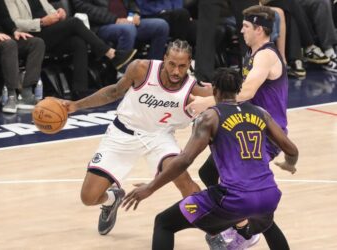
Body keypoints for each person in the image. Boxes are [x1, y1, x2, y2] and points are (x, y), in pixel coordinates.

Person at [122, 67, 299, 250]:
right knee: (266, 223)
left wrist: (150, 188)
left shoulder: (210, 117)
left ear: (214, 90)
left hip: (234, 198)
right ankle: (238, 227)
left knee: (164, 223)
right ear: (239, 90)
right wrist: (289, 164)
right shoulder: (261, 113)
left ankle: (232, 226)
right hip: (269, 194)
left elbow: (184, 160)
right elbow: (292, 149)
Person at [61, 40, 212, 235]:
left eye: (182, 66)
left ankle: (213, 231)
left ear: (190, 63)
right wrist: (76, 106)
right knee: (88, 197)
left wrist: (213, 97)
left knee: (184, 180)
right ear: (164, 59)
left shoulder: (196, 91)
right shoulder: (141, 69)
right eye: (172, 64)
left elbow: (229, 100)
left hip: (159, 137)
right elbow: (113, 92)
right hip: (123, 132)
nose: (176, 71)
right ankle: (112, 199)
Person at [187, 5, 292, 249]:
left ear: (259, 29)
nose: (241, 30)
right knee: (209, 174)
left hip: (266, 135)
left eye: (246, 26)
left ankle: (247, 230)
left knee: (251, 198)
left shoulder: (266, 55)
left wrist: (206, 101)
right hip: (247, 130)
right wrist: (190, 90)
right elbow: (231, 91)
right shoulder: (252, 55)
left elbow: (246, 91)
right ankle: (241, 225)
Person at [5, 0, 137, 99]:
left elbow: (49, 11)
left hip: (49, 31)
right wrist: (41, 22)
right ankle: (111, 53)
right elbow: (15, 23)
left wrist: (59, 14)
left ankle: (80, 91)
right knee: (74, 22)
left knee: (78, 42)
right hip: (32, 36)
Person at [0, 0, 45, 113]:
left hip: (2, 36)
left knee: (37, 43)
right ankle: (11, 96)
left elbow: (5, 18)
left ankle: (27, 93)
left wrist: (14, 31)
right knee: (10, 44)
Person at [72, 0, 169, 60]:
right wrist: (114, 19)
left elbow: (132, 3)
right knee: (128, 30)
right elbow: (82, 7)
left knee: (161, 26)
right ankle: (122, 73)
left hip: (127, 21)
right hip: (102, 25)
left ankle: (151, 69)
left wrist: (134, 14)